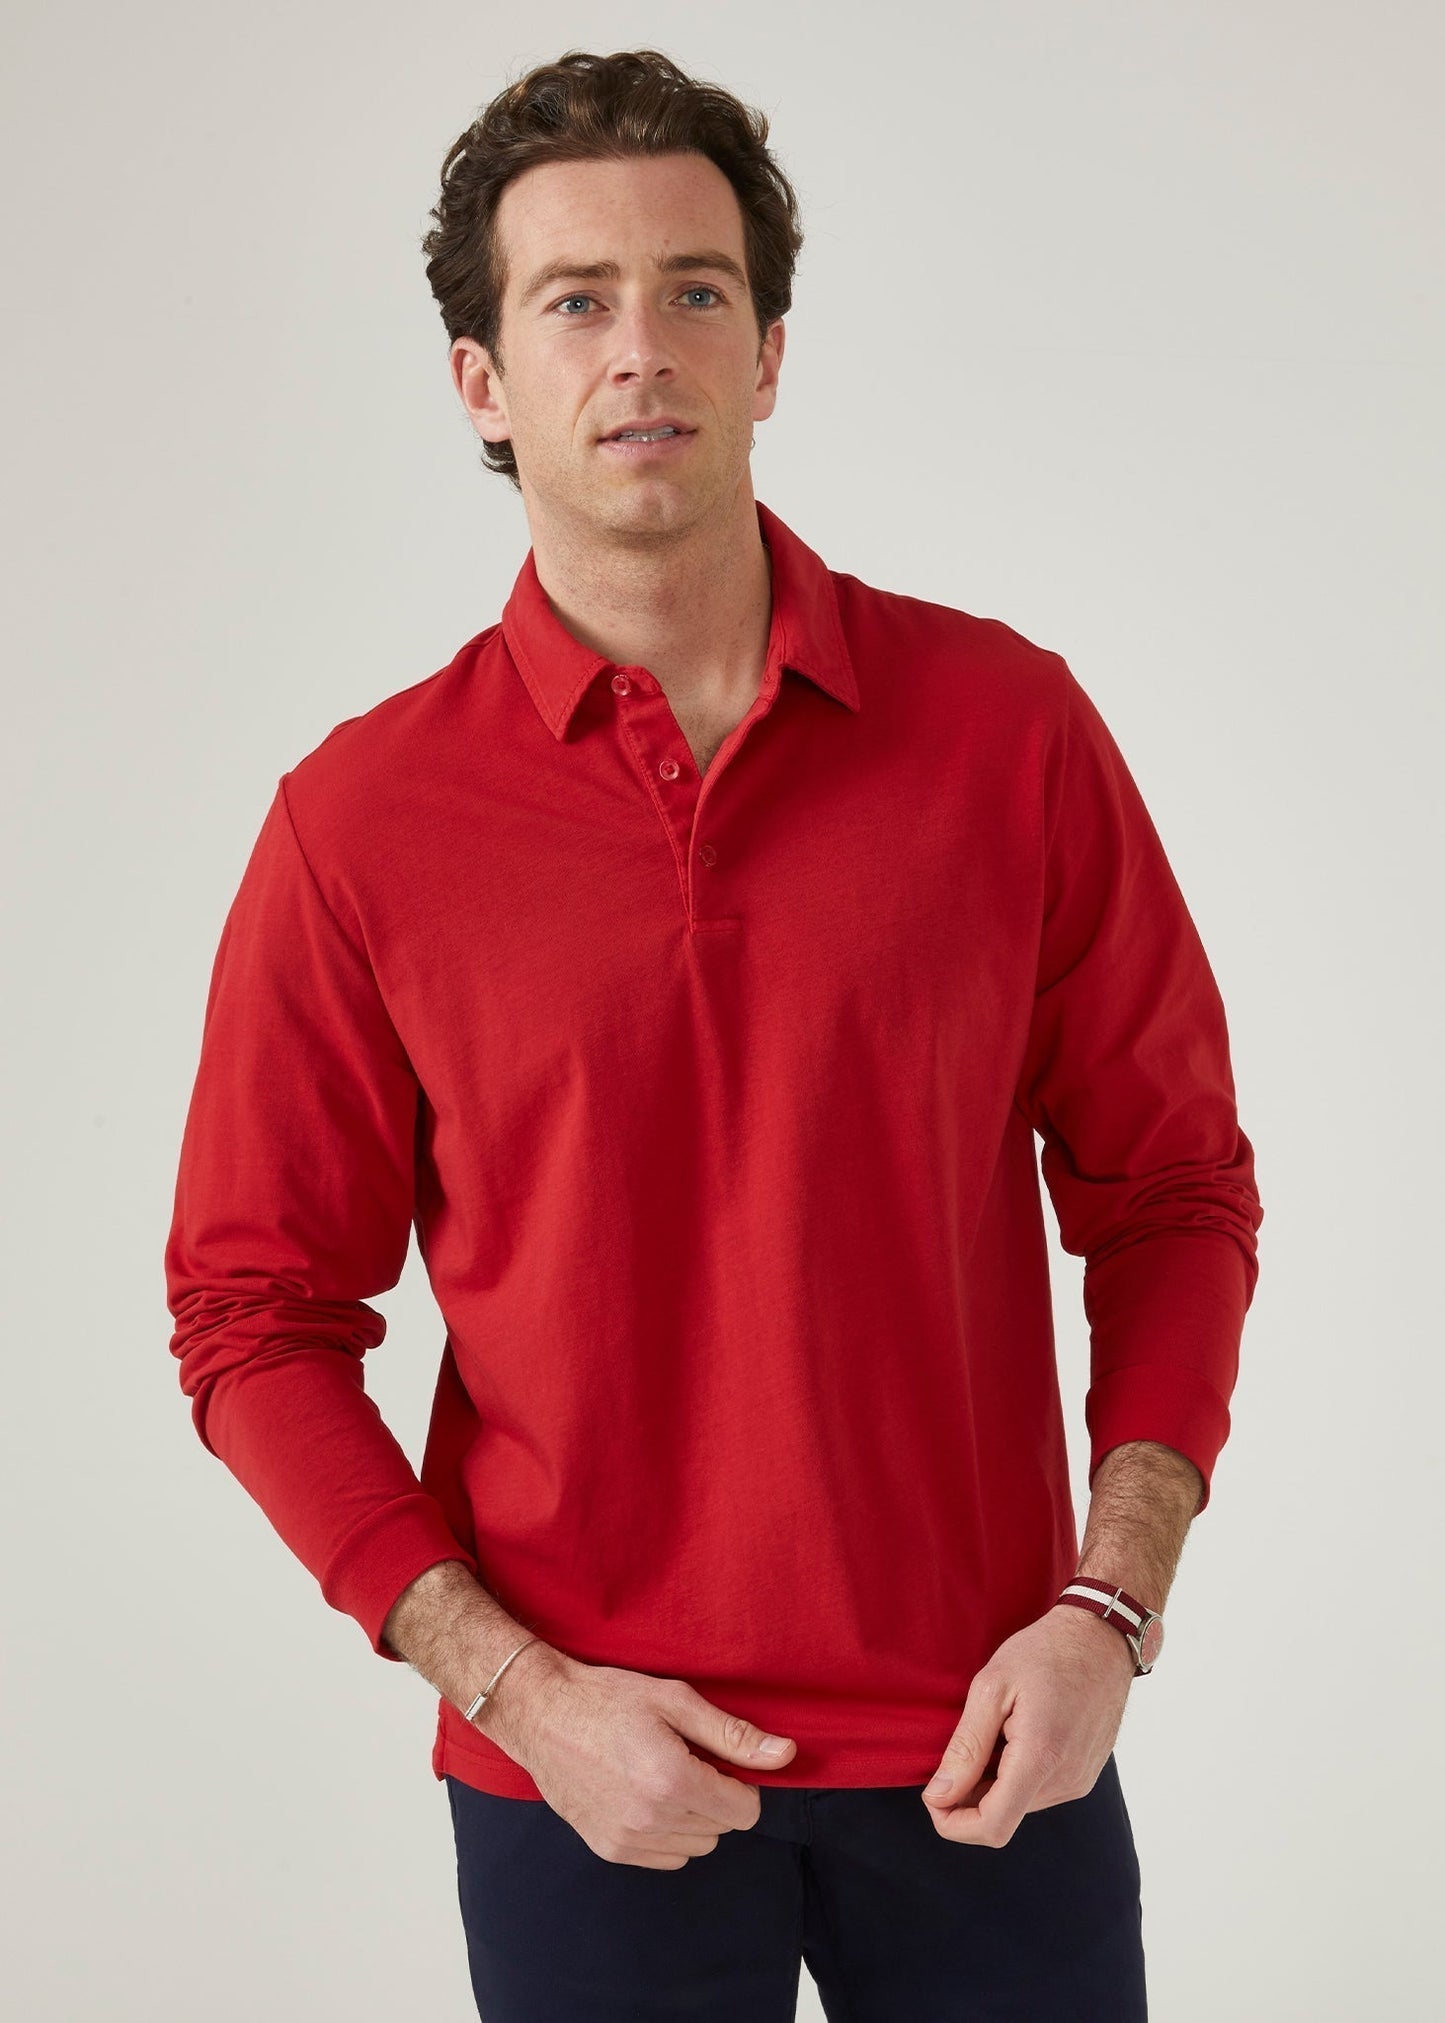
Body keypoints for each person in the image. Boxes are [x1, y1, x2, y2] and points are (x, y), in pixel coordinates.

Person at [163, 45, 1263, 2022]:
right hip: (585, 1774)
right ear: (482, 381)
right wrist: (514, 1686)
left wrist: (1112, 1604)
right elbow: (250, 1316)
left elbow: (1172, 1188)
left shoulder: (1006, 733)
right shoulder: (361, 822)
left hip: (996, 1736)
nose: (639, 348)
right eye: (573, 299)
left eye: (693, 290)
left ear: (767, 356)